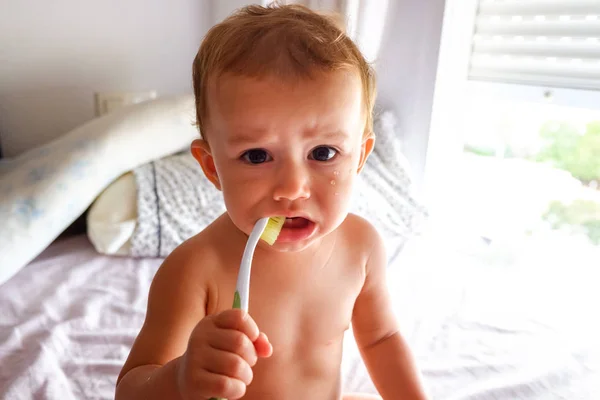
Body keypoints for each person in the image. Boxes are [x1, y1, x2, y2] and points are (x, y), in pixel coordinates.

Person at [116, 3, 428, 400]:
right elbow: (130, 390)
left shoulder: (361, 247)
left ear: (360, 158)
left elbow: (382, 339)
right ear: (212, 168)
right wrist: (179, 379)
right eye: (257, 156)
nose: (293, 187)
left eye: (324, 153)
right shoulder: (195, 269)